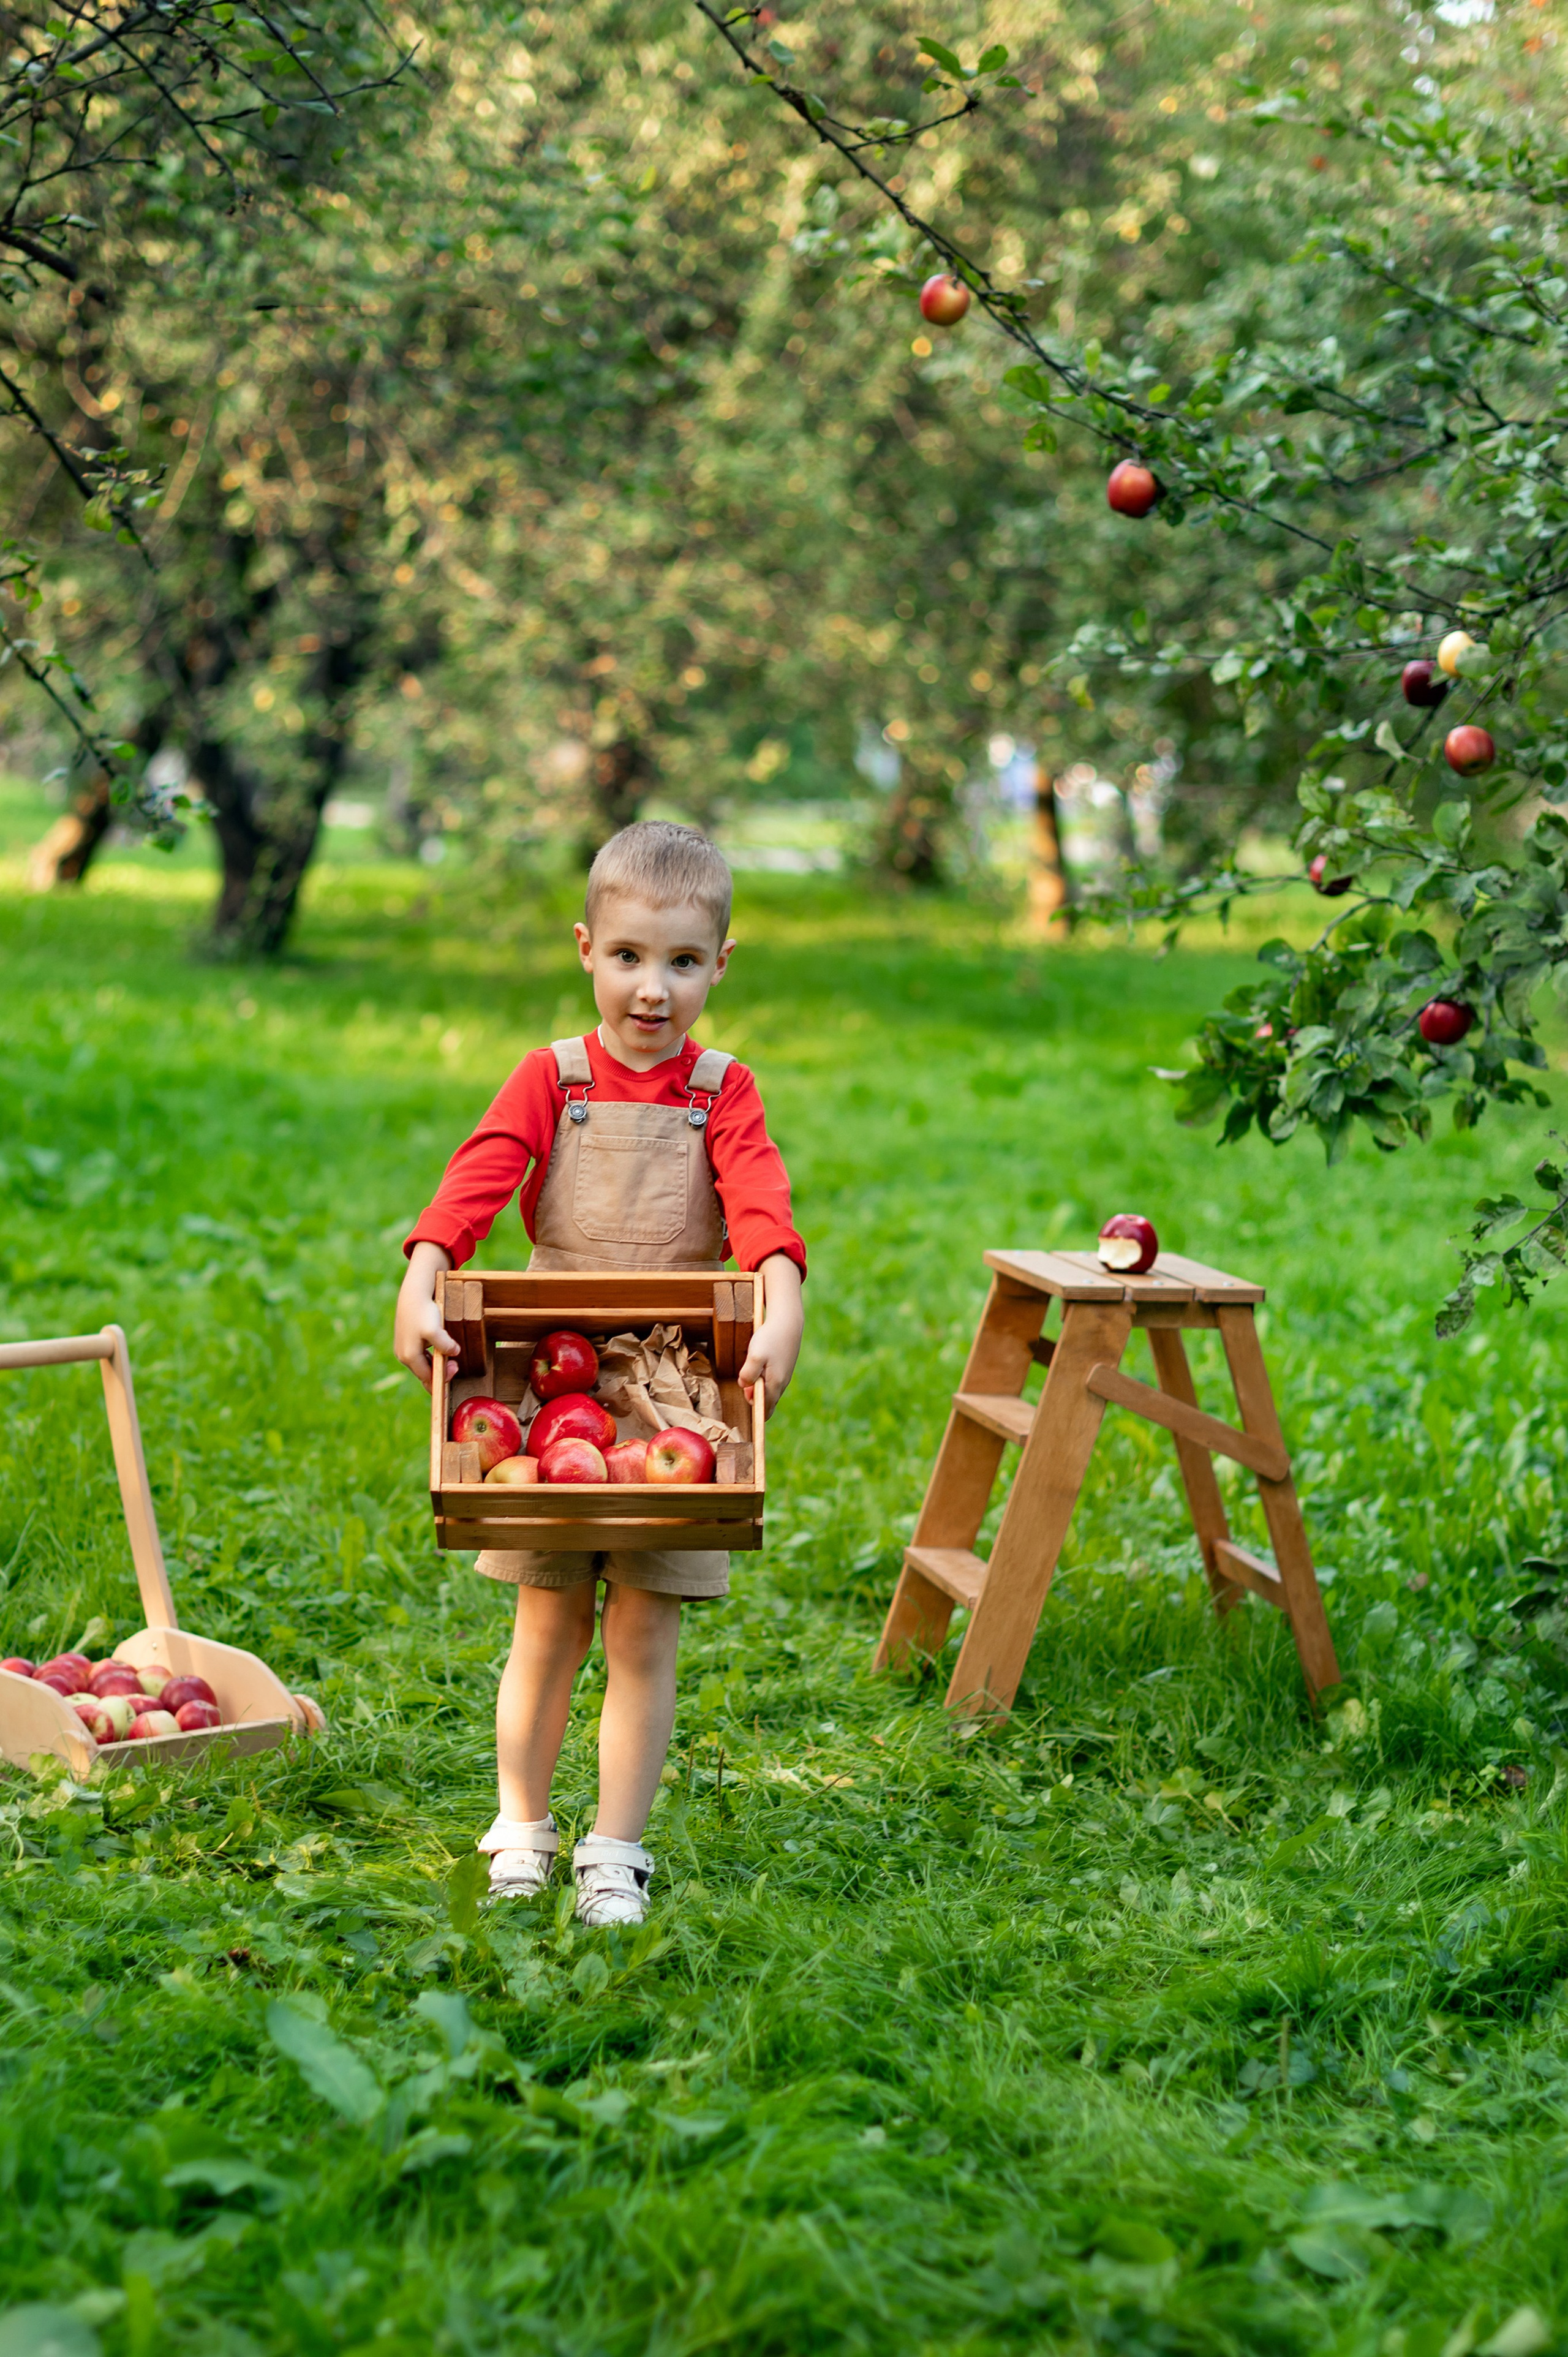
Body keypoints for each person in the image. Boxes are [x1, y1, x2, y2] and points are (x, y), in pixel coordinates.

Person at [394, 821, 805, 1929]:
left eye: (683, 962)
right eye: (628, 956)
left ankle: (615, 1851)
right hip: (551, 1395)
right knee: (549, 1618)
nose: (653, 989)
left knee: (643, 1629)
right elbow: (479, 1177)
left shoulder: (722, 1091)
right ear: (586, 949)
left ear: (721, 965)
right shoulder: (554, 1078)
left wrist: (782, 1295)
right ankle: (521, 1827)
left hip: (674, 1392)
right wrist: (424, 1275)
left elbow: (760, 1199)